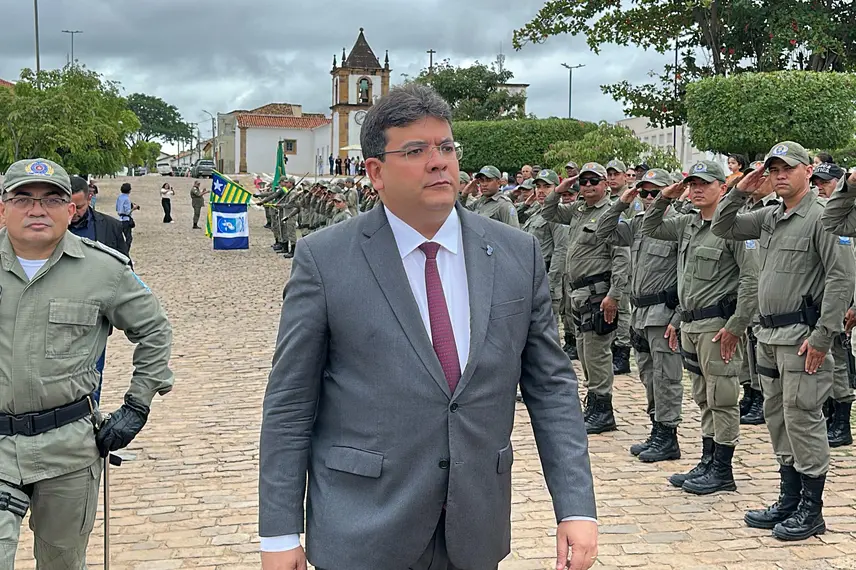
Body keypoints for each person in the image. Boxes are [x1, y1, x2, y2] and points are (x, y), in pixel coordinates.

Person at [258, 83, 598, 570]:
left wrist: (576, 507)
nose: (438, 161)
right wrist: (279, 532)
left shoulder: (515, 253)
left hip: (473, 527)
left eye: (446, 147)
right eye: (415, 151)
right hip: (363, 528)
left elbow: (552, 387)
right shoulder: (326, 260)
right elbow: (291, 403)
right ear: (374, 171)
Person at [0, 158, 174, 569]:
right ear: (2, 206)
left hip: (68, 450)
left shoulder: (104, 271)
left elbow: (154, 330)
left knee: (62, 561)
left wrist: (138, 404)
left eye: (52, 199)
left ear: (71, 208)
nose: (37, 209)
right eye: (23, 198)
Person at [713, 141, 855, 541]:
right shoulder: (769, 217)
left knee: (803, 416)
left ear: (808, 171)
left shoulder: (824, 217)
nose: (778, 175)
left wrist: (824, 335)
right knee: (777, 416)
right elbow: (722, 227)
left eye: (787, 168)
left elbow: (841, 279)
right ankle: (790, 496)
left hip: (803, 338)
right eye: (773, 169)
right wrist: (741, 189)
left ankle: (812, 509)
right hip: (769, 335)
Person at [641, 160, 758, 496]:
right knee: (704, 397)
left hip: (718, 326)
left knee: (722, 397)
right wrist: (665, 196)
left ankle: (723, 469)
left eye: (704, 184)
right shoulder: (688, 224)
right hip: (691, 324)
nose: (696, 190)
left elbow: (751, 280)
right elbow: (650, 228)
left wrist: (736, 326)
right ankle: (708, 460)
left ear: (723, 187)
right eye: (692, 184)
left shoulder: (734, 228)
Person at [595, 169, 683, 463]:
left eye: (654, 193)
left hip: (664, 312)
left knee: (666, 376)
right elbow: (602, 231)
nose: (647, 198)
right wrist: (621, 203)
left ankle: (668, 434)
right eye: (643, 192)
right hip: (640, 312)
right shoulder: (637, 224)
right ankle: (657, 428)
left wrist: (679, 317)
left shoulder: (678, 227)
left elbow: (687, 275)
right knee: (647, 374)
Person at [541, 162, 631, 435]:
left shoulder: (612, 214)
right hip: (577, 294)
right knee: (584, 351)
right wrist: (560, 188)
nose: (589, 186)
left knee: (597, 353)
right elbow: (549, 212)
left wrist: (614, 295)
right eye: (584, 181)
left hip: (598, 294)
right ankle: (593, 403)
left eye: (594, 181)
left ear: (606, 183)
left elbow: (621, 257)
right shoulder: (578, 211)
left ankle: (603, 409)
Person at [605, 159, 635, 375]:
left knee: (623, 309)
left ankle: (623, 352)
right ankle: (614, 346)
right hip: (611, 260)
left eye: (617, 174)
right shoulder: (610, 200)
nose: (613, 177)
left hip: (627, 259)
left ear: (626, 176)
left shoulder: (633, 201)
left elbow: (634, 231)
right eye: (610, 174)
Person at [116, 182, 139, 252]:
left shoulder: (119, 197)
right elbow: (127, 212)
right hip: (126, 220)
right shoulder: (127, 199)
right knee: (128, 238)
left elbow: (117, 208)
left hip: (119, 219)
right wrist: (134, 208)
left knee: (120, 238)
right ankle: (125, 253)